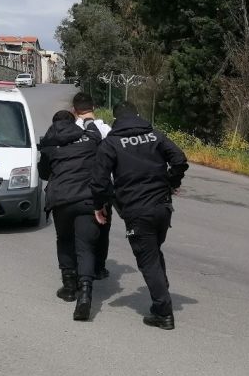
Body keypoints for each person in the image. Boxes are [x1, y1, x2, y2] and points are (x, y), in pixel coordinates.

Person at [91, 101, 189, 330]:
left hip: (137, 210)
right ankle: (161, 288)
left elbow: (98, 181)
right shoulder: (155, 135)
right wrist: (171, 182)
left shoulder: (111, 143)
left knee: (147, 259)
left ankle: (163, 312)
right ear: (137, 114)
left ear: (115, 119)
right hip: (163, 207)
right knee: (154, 251)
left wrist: (100, 205)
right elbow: (180, 160)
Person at [38, 110, 103, 321]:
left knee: (65, 240)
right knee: (85, 246)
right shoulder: (88, 139)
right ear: (73, 122)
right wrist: (89, 122)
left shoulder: (49, 144)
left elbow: (43, 173)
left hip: (62, 200)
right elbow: (97, 137)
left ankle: (68, 288)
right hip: (86, 198)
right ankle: (85, 294)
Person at [72, 92, 112, 280]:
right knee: (103, 229)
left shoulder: (71, 130)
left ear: (74, 110)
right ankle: (98, 267)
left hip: (78, 186)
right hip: (104, 187)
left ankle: (78, 268)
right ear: (93, 108)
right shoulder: (105, 130)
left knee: (77, 232)